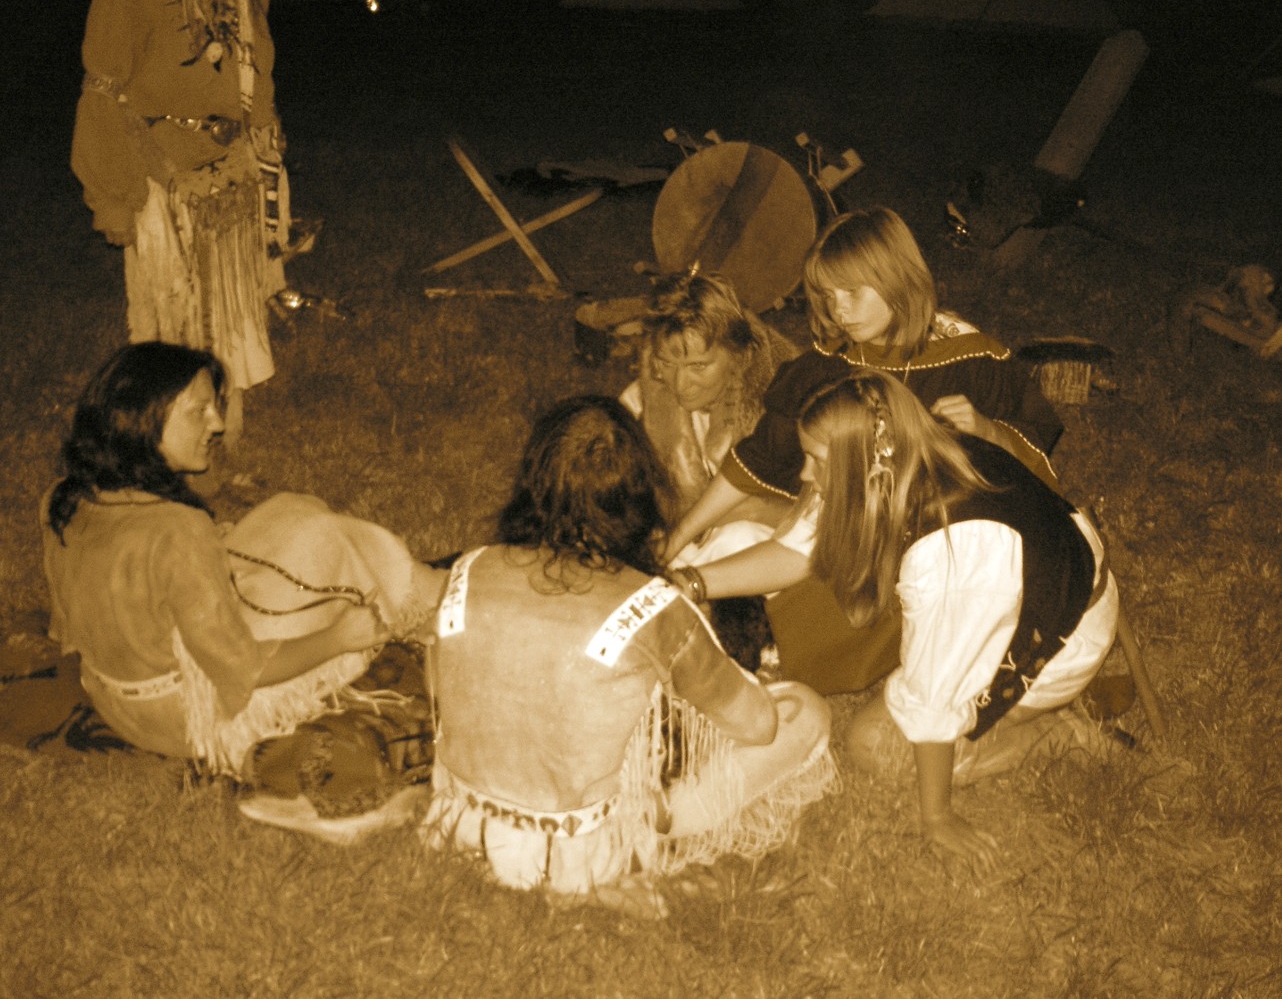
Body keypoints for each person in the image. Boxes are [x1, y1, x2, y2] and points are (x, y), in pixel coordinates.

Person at [420, 396, 837, 915]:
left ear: (532, 484)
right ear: (639, 498)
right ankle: (656, 826)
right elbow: (756, 725)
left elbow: (438, 688)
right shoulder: (655, 607)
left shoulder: (470, 567)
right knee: (803, 711)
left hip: (460, 822)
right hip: (583, 850)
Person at [664, 207, 1063, 694]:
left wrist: (988, 430)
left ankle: (779, 644)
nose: (840, 312)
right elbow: (760, 458)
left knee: (810, 600)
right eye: (828, 297)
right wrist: (679, 535)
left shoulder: (970, 359)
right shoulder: (832, 363)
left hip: (927, 550)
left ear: (896, 278)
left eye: (852, 293)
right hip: (834, 525)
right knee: (735, 532)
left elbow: (1037, 478)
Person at [42, 342, 444, 779]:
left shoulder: (62, 499)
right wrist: (340, 638)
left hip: (114, 704)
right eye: (199, 411)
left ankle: (420, 588)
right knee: (323, 535)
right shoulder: (178, 530)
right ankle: (431, 596)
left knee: (287, 510)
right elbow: (245, 672)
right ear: (144, 419)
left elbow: (67, 631)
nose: (216, 424)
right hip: (195, 722)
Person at [784, 370, 1117, 864]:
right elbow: (801, 545)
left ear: (869, 459)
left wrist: (936, 816)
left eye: (818, 461)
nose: (804, 475)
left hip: (1058, 636)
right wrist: (693, 581)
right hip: (1043, 582)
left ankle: (1066, 735)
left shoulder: (951, 552)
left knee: (874, 745)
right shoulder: (912, 452)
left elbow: (934, 695)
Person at [71, 0, 294, 441]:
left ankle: (224, 420)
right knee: (174, 315)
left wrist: (265, 144)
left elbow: (260, 68)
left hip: (235, 169)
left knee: (235, 308)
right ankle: (169, 430)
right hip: (162, 171)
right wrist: (113, 197)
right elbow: (103, 86)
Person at [619, 269, 801, 566]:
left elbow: (821, 519)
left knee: (737, 539)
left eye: (698, 366)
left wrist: (746, 510)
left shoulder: (786, 408)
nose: (680, 384)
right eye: (666, 364)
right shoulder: (640, 403)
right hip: (683, 546)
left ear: (739, 357)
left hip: (775, 551)